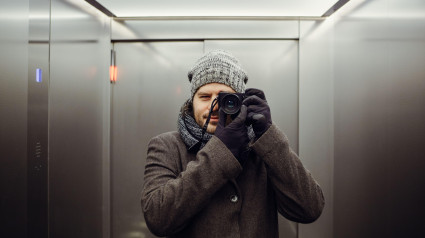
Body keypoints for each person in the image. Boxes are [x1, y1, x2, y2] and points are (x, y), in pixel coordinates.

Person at [141, 50, 325, 238]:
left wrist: (268, 135)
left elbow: (310, 208)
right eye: (204, 97)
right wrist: (221, 150)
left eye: (224, 98)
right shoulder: (167, 146)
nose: (214, 107)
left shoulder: (262, 146)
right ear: (191, 102)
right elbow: (158, 218)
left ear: (239, 102)